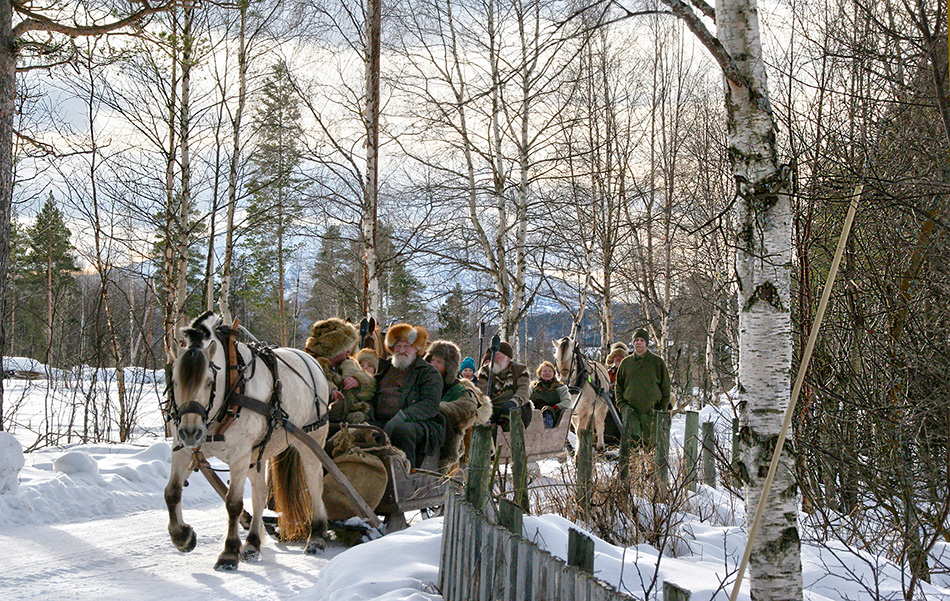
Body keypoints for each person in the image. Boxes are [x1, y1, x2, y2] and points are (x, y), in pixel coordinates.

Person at [371, 323, 446, 468]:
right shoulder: (383, 369)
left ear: (416, 349)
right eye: (398, 346)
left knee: (402, 431)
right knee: (361, 430)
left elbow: (429, 405)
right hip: (381, 421)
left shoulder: (428, 373)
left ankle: (406, 473)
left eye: (407, 346)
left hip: (418, 424)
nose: (401, 350)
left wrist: (400, 418)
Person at [425, 340, 491, 472]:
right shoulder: (422, 383)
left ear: (449, 366)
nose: (434, 365)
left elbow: (466, 410)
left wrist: (437, 409)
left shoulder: (458, 389)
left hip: (446, 438)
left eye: (439, 362)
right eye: (432, 360)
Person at [615, 328, 671, 476]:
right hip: (631, 413)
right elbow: (619, 386)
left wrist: (660, 409)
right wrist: (622, 405)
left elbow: (666, 388)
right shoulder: (626, 363)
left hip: (651, 413)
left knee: (651, 448)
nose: (639, 343)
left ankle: (652, 479)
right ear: (633, 343)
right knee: (631, 449)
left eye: (642, 340)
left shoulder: (657, 362)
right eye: (636, 340)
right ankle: (631, 479)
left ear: (646, 343)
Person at [304, 318, 376, 424]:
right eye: (345, 347)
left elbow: (370, 387)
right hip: (321, 424)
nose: (349, 351)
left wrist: (358, 381)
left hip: (351, 421)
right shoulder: (312, 367)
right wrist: (327, 393)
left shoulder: (349, 364)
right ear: (334, 349)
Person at [476, 341, 531, 429]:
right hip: (491, 408)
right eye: (493, 354)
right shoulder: (485, 371)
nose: (494, 357)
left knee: (508, 423)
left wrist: (514, 402)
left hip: (515, 408)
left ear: (507, 357)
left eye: (497, 354)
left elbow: (524, 390)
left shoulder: (520, 370)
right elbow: (481, 391)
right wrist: (484, 407)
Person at [529, 361, 572, 428]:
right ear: (540, 373)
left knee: (547, 411)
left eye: (550, 371)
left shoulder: (560, 387)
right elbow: (525, 397)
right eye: (544, 371)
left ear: (553, 374)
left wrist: (556, 407)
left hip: (553, 413)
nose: (547, 373)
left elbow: (567, 402)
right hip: (535, 413)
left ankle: (546, 430)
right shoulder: (533, 387)